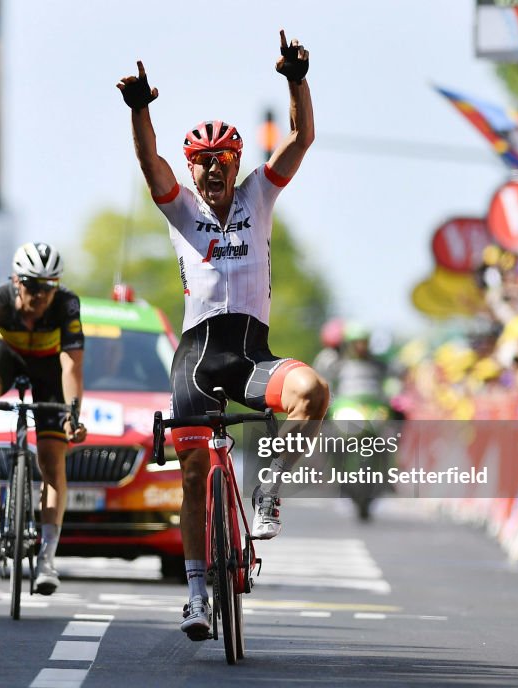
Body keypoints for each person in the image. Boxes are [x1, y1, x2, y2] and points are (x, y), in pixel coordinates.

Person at [117, 29, 330, 639]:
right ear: (191, 169)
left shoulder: (258, 196)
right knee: (191, 475)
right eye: (202, 162)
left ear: (236, 165)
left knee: (312, 393)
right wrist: (140, 111)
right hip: (197, 358)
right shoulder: (179, 206)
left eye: (222, 161)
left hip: (251, 354)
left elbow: (301, 138)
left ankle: (269, 488)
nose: (212, 170)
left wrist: (296, 80)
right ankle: (194, 597)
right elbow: (147, 160)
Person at [0, 242, 88, 596]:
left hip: (49, 368)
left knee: (51, 460)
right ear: (16, 281)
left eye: (49, 287)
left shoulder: (67, 304)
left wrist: (73, 414)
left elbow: (71, 365)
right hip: (8, 357)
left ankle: (47, 558)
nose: (40, 295)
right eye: (32, 285)